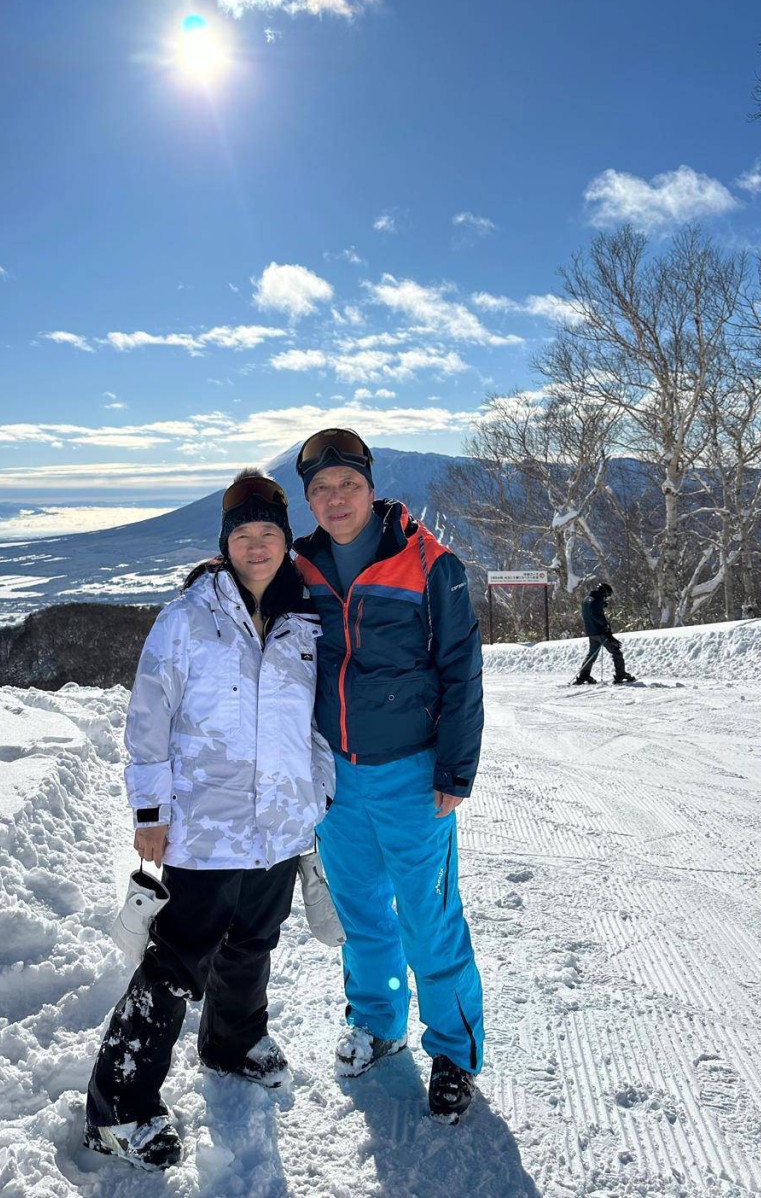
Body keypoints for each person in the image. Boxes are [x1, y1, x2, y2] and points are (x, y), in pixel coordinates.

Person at [84, 470, 335, 1171]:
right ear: (225, 544)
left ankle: (232, 1041)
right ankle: (118, 1109)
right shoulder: (188, 617)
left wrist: (317, 795)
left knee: (254, 942)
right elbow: (149, 717)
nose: (258, 547)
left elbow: (312, 723)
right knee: (174, 964)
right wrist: (150, 811)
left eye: (269, 534)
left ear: (286, 541)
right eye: (243, 535)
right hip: (206, 825)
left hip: (280, 825)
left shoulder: (306, 619)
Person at [291, 427, 485, 1123]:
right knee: (364, 916)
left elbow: (462, 669)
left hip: (411, 773)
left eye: (348, 485)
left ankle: (455, 1052)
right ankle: (377, 1025)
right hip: (335, 778)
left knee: (429, 921)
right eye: (321, 490)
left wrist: (456, 769)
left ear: (372, 488)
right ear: (309, 500)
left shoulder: (430, 564)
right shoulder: (300, 568)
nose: (336, 499)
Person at [573, 582, 636, 684]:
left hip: (591, 632)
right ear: (604, 592)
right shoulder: (596, 601)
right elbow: (595, 614)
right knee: (616, 651)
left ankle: (584, 675)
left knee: (592, 654)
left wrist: (601, 605)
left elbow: (590, 610)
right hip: (600, 632)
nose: (607, 598)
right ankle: (620, 674)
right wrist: (605, 625)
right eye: (607, 595)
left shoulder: (586, 599)